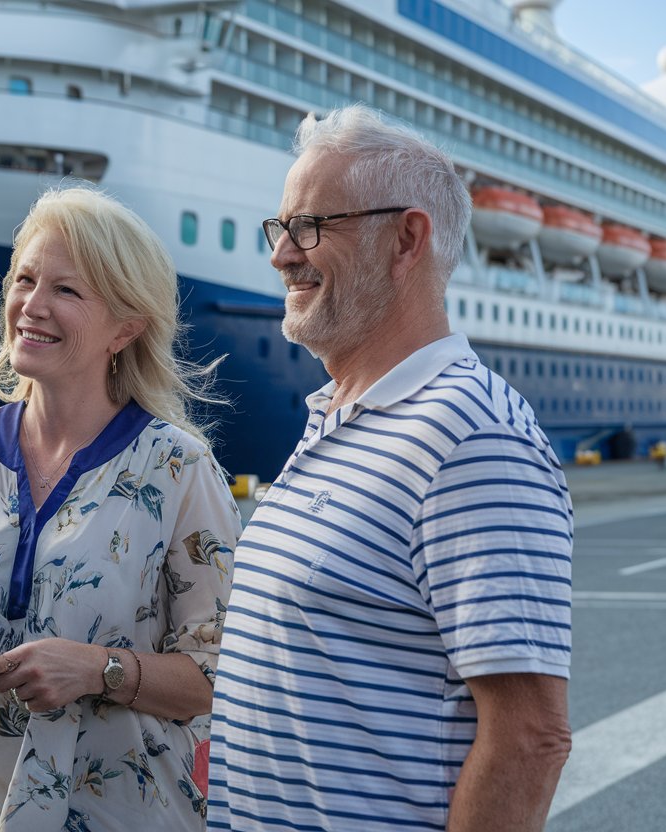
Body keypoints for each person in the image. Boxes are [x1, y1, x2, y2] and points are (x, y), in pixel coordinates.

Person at [206, 103, 573, 831]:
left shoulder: (469, 437)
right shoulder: (338, 417)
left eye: (310, 227)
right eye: (280, 228)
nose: (282, 254)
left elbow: (530, 738)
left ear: (407, 239)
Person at [0, 186, 243, 831]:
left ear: (126, 328)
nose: (31, 306)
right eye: (24, 280)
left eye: (67, 292)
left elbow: (224, 674)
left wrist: (98, 670)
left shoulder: (179, 468)